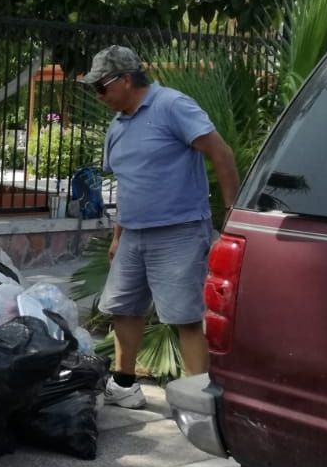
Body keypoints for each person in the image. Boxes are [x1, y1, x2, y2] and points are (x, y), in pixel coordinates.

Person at [80, 45, 239, 408]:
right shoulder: (118, 125)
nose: (98, 95)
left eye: (101, 87)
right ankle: (124, 384)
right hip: (133, 233)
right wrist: (119, 236)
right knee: (124, 307)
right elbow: (128, 183)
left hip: (178, 231)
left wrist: (232, 214)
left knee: (184, 316)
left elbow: (221, 153)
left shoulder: (172, 106)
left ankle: (199, 399)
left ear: (125, 79)